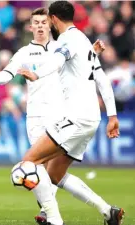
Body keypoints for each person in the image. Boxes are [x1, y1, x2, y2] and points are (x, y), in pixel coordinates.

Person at [0, 7, 110, 225]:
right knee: (51, 173)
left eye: (45, 21)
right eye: (37, 22)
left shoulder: (63, 45)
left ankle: (51, 215)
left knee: (38, 167)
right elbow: (6, 76)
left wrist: (92, 52)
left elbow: (81, 64)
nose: (41, 25)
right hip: (36, 118)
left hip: (63, 117)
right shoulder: (24, 53)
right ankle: (104, 209)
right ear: (31, 26)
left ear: (51, 23)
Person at [18, 2, 124, 225]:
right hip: (91, 119)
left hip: (75, 118)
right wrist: (112, 116)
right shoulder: (84, 41)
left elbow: (57, 61)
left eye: (48, 21)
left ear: (54, 19)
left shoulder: (66, 40)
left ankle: (54, 220)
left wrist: (37, 74)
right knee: (54, 174)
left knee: (29, 161)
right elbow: (102, 80)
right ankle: (108, 211)